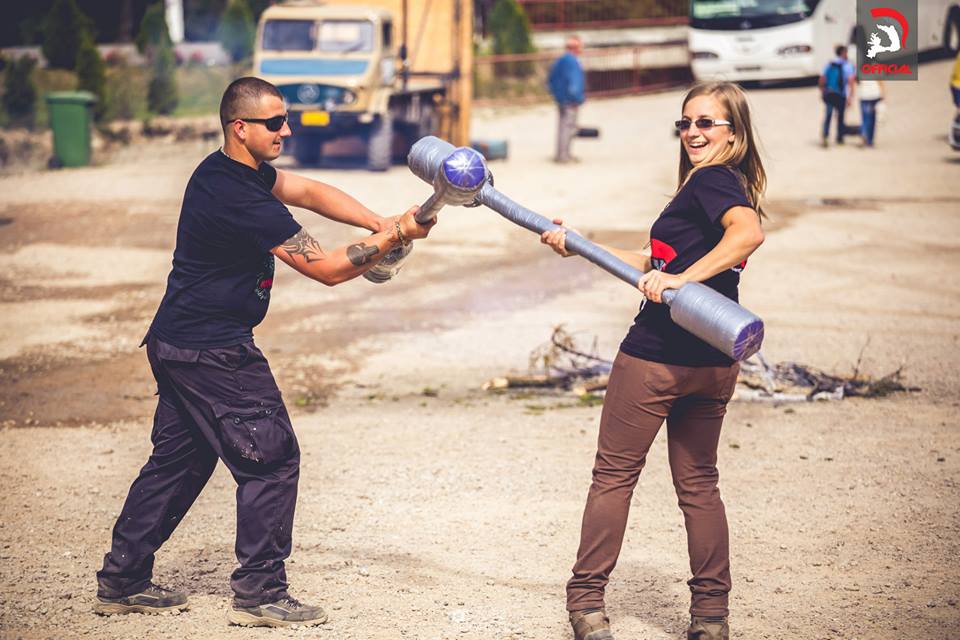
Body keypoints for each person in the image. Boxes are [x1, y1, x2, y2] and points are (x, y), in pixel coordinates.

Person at [93, 77, 434, 627]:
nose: (286, 129)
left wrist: (380, 222)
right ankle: (260, 593)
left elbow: (309, 192)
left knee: (180, 461)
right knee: (271, 459)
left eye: (285, 119)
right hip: (213, 350)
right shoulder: (237, 196)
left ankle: (122, 579)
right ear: (240, 128)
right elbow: (323, 270)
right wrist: (393, 238)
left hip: (180, 341)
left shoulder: (230, 172)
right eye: (274, 122)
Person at [540, 82, 766, 640]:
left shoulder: (714, 179)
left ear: (732, 133)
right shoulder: (709, 185)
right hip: (714, 358)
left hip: (656, 357)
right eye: (685, 122)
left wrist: (683, 280)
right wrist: (579, 244)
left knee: (614, 478)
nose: (692, 132)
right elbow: (650, 262)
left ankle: (587, 605)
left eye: (706, 123)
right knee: (700, 485)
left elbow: (749, 234)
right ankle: (711, 618)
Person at [548, 35, 585, 163]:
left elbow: (551, 79)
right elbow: (574, 82)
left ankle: (561, 154)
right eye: (580, 46)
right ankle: (564, 156)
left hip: (562, 99)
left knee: (562, 127)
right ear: (575, 48)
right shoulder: (572, 61)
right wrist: (576, 98)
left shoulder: (561, 60)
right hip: (570, 100)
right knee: (569, 127)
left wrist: (557, 95)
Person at [818, 45, 856, 147]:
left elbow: (822, 77)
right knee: (840, 118)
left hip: (829, 93)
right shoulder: (847, 65)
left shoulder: (830, 63)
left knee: (828, 115)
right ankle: (839, 139)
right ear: (843, 53)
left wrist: (822, 91)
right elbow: (851, 82)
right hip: (841, 95)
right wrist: (850, 96)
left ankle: (825, 137)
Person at [858, 78, 885, 147]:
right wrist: (883, 94)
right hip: (875, 94)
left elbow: (857, 80)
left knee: (865, 118)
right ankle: (870, 140)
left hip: (864, 95)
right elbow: (880, 81)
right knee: (872, 118)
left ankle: (864, 134)